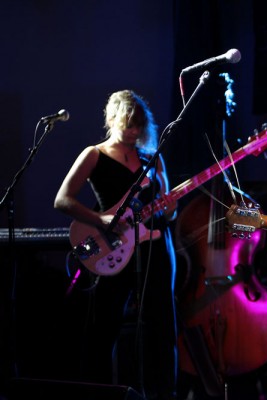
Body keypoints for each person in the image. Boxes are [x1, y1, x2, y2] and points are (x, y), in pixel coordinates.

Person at [54, 90, 178, 400]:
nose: (134, 131)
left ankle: (163, 393)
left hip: (155, 246)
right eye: (128, 124)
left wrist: (170, 207)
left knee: (163, 325)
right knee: (103, 326)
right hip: (112, 247)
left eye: (139, 125)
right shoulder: (94, 154)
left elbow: (169, 212)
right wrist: (100, 219)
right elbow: (62, 200)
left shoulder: (152, 157)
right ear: (112, 119)